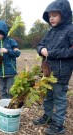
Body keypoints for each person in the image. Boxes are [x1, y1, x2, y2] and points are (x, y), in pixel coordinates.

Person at [33, 0, 73, 134]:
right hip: (48, 72)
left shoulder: (70, 30)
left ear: (64, 15)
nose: (51, 18)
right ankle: (48, 117)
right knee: (48, 96)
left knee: (60, 98)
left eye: (54, 15)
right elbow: (40, 44)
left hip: (61, 73)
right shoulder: (50, 32)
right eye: (49, 16)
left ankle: (58, 125)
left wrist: (53, 53)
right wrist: (41, 49)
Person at [0, 20, 21, 99]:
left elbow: (17, 53)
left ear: (4, 32)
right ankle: (4, 104)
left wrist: (7, 51)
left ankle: (11, 104)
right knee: (2, 89)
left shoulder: (11, 42)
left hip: (10, 71)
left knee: (11, 90)